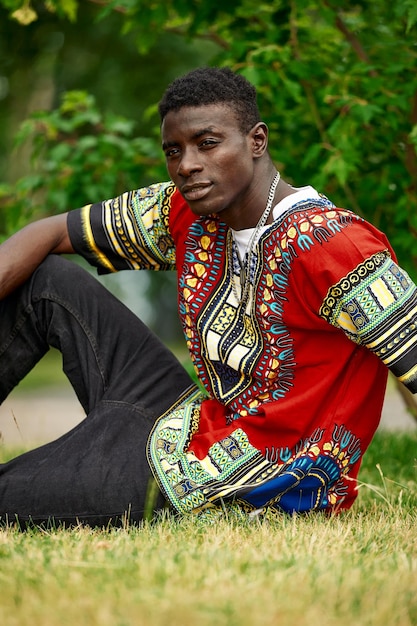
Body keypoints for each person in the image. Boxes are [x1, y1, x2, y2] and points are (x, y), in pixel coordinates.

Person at [0, 67, 416, 528]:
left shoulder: (334, 246)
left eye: (208, 143)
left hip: (243, 484)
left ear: (256, 140)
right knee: (47, 280)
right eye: (173, 151)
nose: (187, 165)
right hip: (188, 424)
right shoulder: (189, 213)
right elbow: (51, 230)